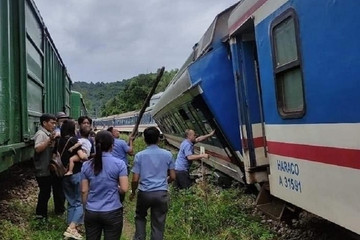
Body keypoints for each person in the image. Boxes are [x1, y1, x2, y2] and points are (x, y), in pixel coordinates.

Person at [130, 127, 175, 240]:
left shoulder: (139, 155)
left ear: (144, 139)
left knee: (140, 217)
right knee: (158, 223)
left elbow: (135, 179)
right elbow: (173, 176)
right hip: (161, 193)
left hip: (144, 193)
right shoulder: (168, 154)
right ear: (158, 139)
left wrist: (133, 192)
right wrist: (164, 182)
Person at [81, 130, 128, 240]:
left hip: (91, 211)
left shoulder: (86, 165)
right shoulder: (119, 164)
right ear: (112, 146)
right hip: (112, 211)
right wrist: (116, 188)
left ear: (95, 144)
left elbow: (84, 190)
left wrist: (86, 207)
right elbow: (124, 188)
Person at [58, 120, 88, 240]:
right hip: (76, 174)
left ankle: (71, 228)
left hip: (63, 174)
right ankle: (71, 228)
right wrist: (86, 155)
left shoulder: (59, 141)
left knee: (70, 202)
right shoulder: (74, 140)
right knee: (79, 202)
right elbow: (82, 156)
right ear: (72, 129)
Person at [32, 113, 65, 219]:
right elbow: (37, 149)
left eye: (55, 123)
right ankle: (40, 215)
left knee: (46, 193)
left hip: (47, 169)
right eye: (52, 123)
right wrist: (49, 139)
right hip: (42, 169)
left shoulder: (48, 133)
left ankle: (42, 214)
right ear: (44, 123)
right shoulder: (41, 134)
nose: (54, 125)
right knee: (44, 193)